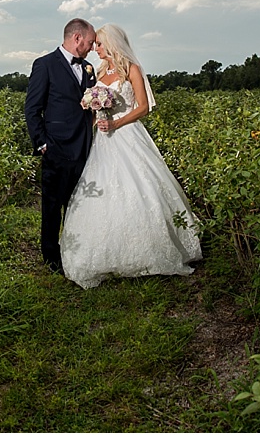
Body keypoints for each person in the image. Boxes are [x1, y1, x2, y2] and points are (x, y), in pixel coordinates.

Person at [60, 23, 202, 289]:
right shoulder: (99, 72)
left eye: (99, 44)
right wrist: (91, 108)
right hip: (103, 139)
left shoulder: (132, 70)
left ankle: (152, 250)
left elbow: (144, 107)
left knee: (140, 184)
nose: (95, 48)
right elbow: (93, 107)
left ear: (112, 44)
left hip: (127, 133)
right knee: (102, 189)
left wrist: (117, 122)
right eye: (94, 44)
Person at [24, 18, 97, 275]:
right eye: (89, 43)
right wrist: (42, 143)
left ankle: (74, 250)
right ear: (77, 38)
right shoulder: (45, 64)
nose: (91, 48)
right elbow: (32, 109)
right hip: (55, 147)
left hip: (85, 147)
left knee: (79, 203)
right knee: (53, 205)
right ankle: (51, 256)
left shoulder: (89, 68)